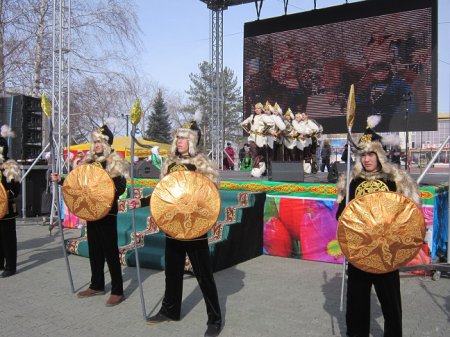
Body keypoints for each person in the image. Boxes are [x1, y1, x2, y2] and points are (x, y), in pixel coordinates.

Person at [130, 121, 222, 337]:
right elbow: (164, 195)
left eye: (183, 138)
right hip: (173, 226)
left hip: (195, 226)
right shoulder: (169, 164)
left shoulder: (202, 164)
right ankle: (170, 311)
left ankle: (215, 319)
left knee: (204, 275)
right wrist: (142, 202)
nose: (179, 141)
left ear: (192, 141)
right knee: (172, 272)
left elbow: (210, 195)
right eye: (177, 138)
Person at [335, 118, 421, 337]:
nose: (367, 159)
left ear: (379, 155)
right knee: (356, 308)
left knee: (392, 308)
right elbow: (341, 217)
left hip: (387, 253)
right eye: (363, 155)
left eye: (371, 154)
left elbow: (408, 215)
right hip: (359, 254)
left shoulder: (394, 180)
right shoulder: (352, 182)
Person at [51, 124, 129, 306]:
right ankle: (97, 284)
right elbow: (77, 183)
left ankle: (118, 290)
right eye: (94, 141)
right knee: (94, 249)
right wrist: (61, 179)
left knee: (110, 251)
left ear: (107, 143)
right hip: (90, 211)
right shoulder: (88, 162)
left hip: (107, 212)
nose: (96, 145)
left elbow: (121, 187)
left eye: (100, 141)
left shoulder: (114, 162)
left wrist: (105, 187)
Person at [0, 125, 21, 278]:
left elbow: (15, 187)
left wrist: (5, 196)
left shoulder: (10, 164)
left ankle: (11, 266)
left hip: (7, 206)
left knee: (8, 237)